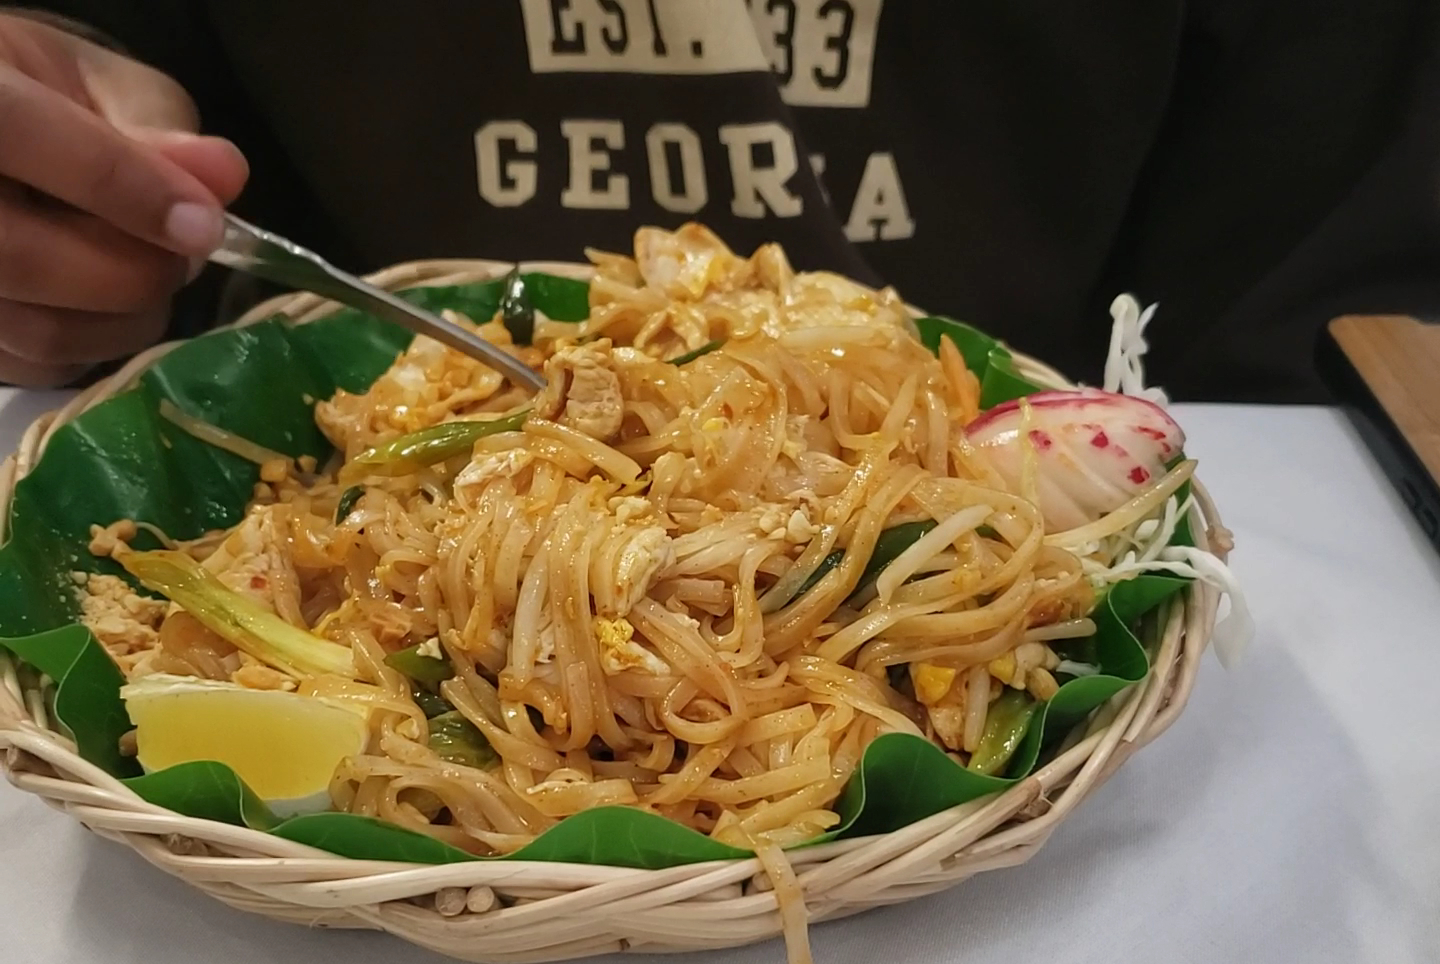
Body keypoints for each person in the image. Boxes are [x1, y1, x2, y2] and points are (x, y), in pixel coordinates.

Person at [0, 1, 1435, 399]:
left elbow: (1330, 275)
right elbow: (108, 59)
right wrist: (78, 186)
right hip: (312, 420)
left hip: (1028, 481)